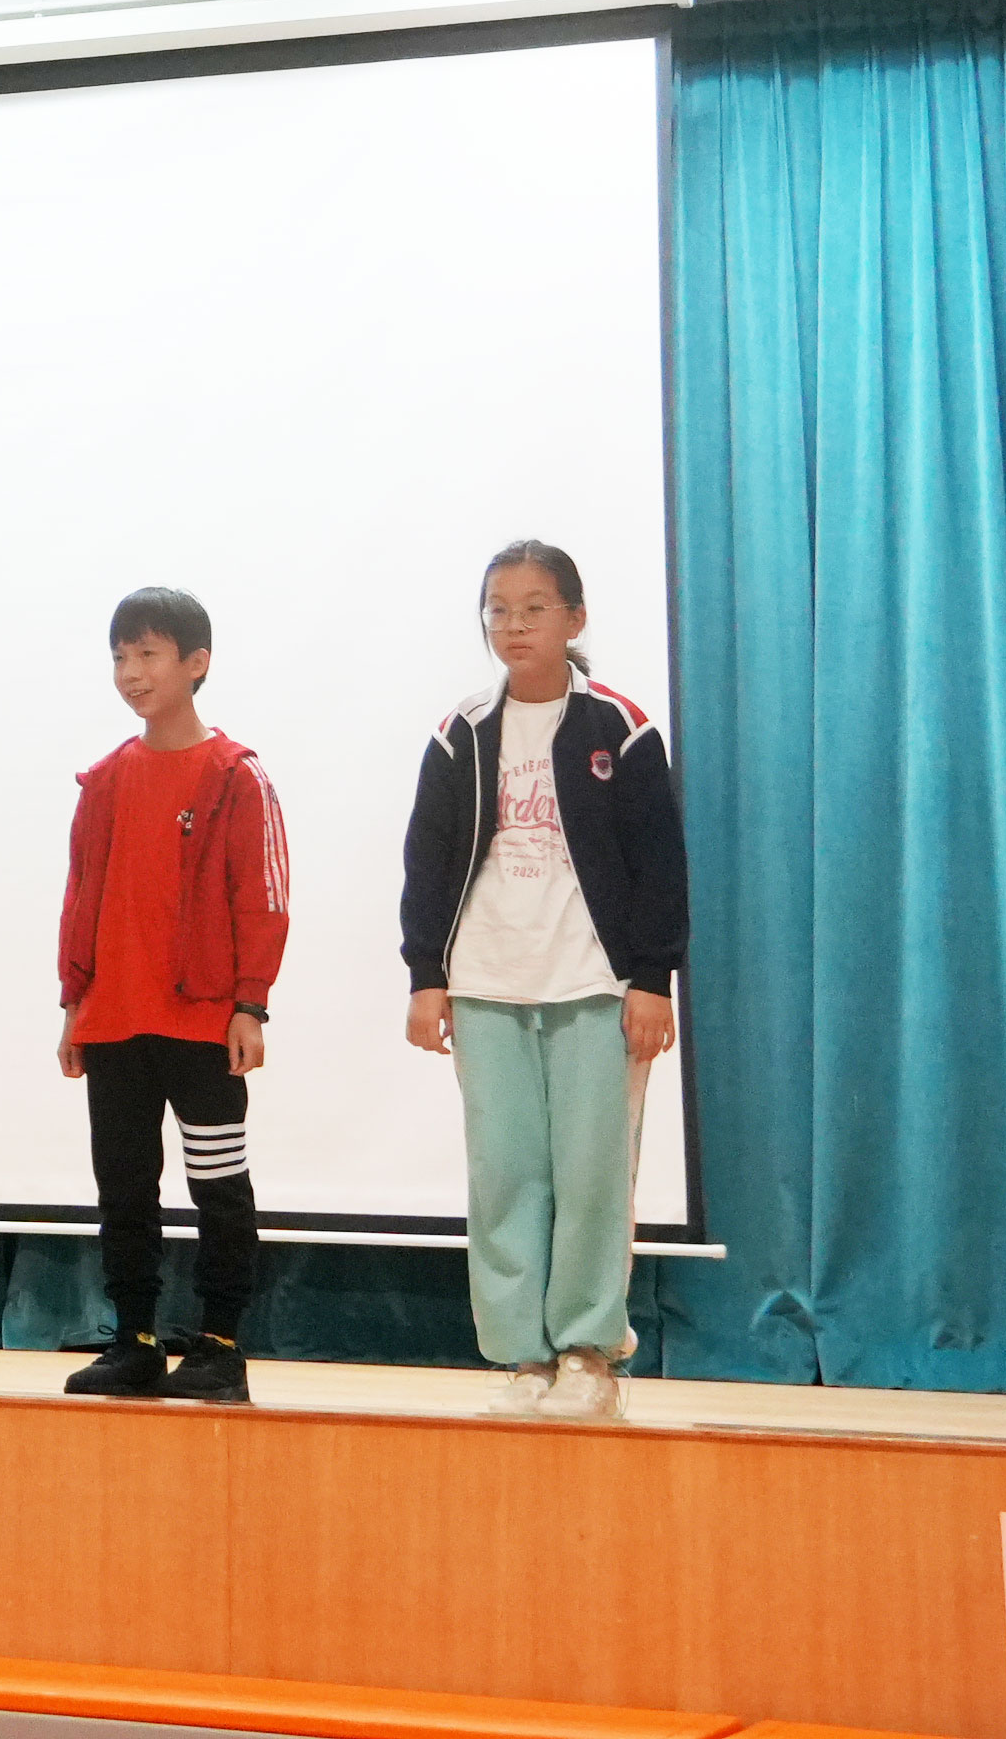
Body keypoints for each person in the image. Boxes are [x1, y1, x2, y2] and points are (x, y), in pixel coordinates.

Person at [399, 538, 688, 1422]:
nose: (513, 625)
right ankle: (522, 1354)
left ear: (575, 618)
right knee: (506, 1173)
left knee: (594, 1174)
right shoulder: (461, 734)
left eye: (533, 608)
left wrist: (653, 979)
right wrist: (426, 975)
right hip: (487, 981)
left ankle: (588, 1351)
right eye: (498, 609)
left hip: (594, 984)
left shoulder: (620, 729)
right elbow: (428, 861)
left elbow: (660, 864)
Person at [55, 585, 289, 1404]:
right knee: (124, 1191)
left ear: (196, 663)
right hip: (114, 1021)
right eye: (120, 656)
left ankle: (220, 1346)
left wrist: (250, 1003)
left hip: (202, 1022)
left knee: (218, 1186)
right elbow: (81, 895)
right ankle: (136, 1342)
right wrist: (73, 1004)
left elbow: (262, 896)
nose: (132, 671)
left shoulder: (236, 776)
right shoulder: (106, 779)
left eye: (148, 654)